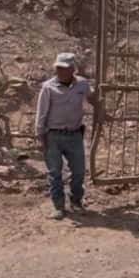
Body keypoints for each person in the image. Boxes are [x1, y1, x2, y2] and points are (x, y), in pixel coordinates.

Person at [35, 52, 93, 219]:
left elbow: (92, 97)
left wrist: (100, 104)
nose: (60, 71)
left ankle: (76, 202)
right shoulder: (48, 87)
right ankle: (58, 206)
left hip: (74, 134)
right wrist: (40, 136)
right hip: (53, 135)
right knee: (55, 172)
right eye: (58, 68)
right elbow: (41, 113)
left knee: (79, 171)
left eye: (64, 68)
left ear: (73, 69)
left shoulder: (82, 84)